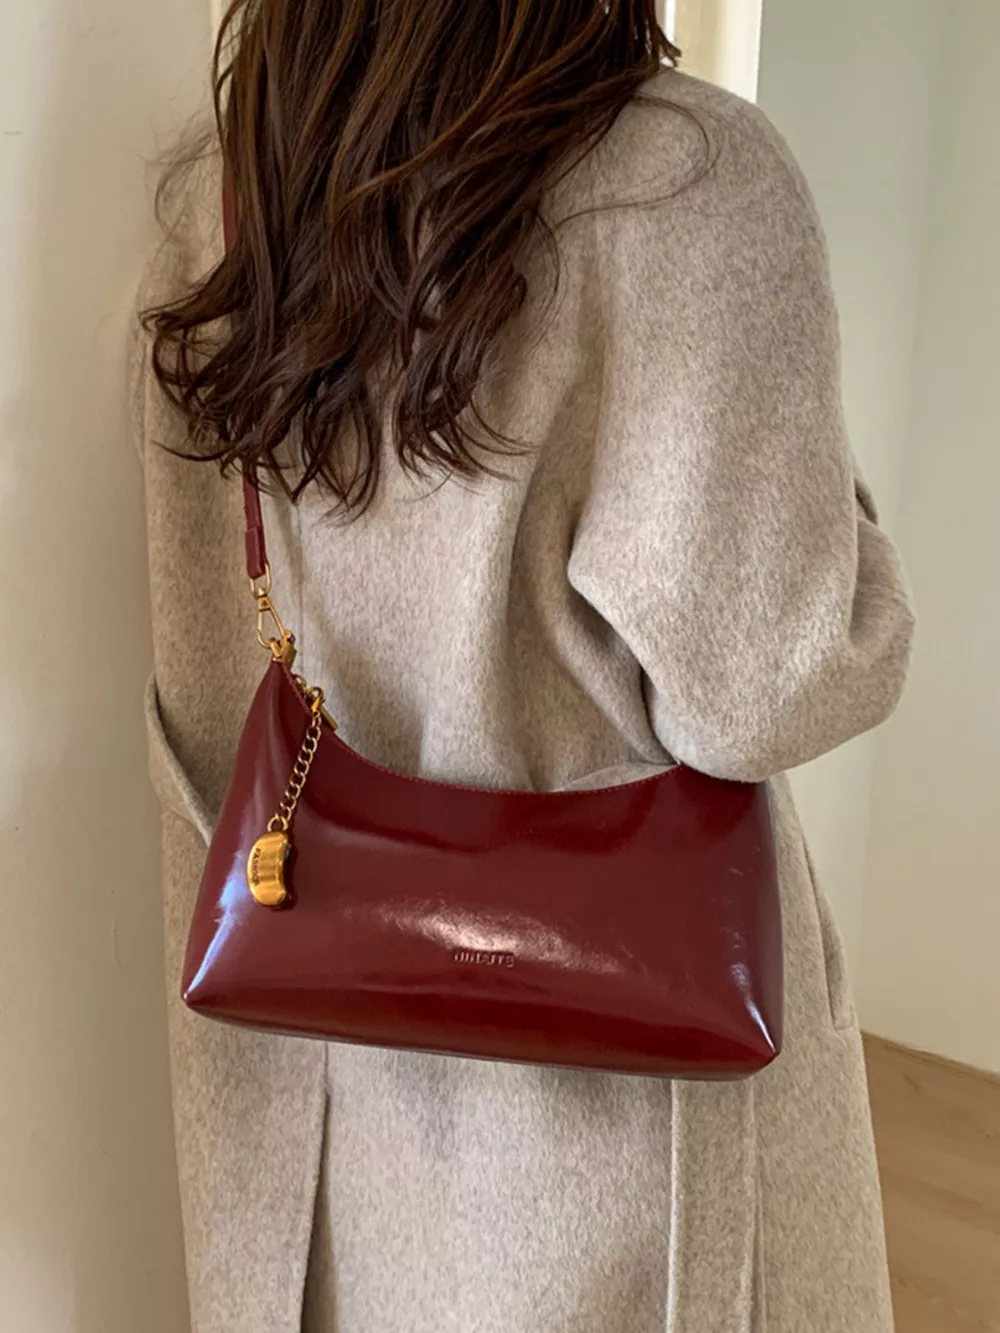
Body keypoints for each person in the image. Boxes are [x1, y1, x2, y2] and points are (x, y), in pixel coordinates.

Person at [132, 2, 914, 1330]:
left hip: (312, 1107)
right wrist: (854, 553)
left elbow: (209, 681)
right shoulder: (687, 181)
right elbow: (769, 687)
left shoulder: (227, 194)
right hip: (616, 1135)